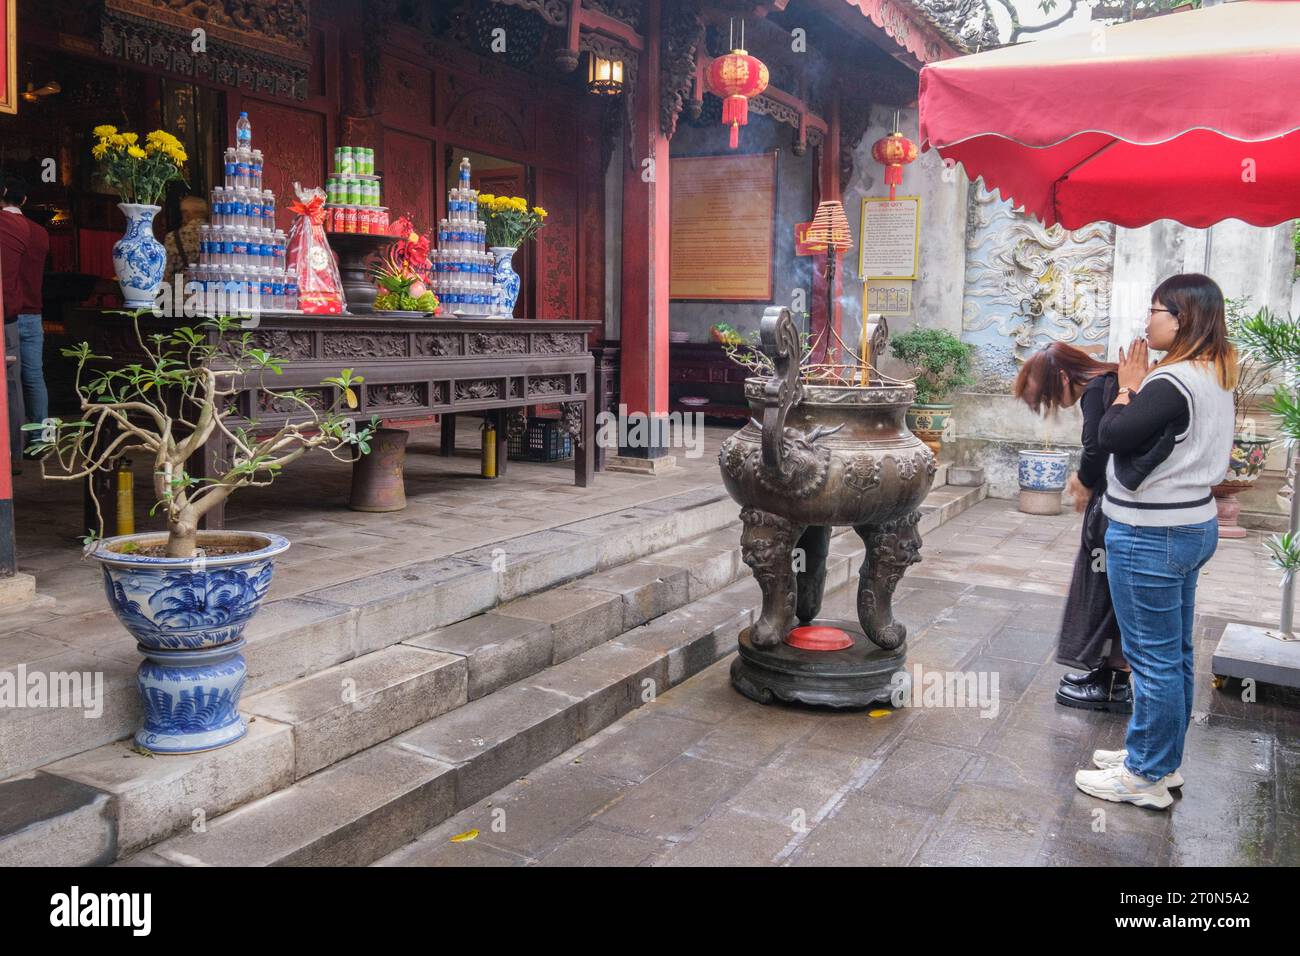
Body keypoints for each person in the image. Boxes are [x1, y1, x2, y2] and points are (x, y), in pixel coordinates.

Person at [1074, 274, 1236, 810]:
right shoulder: (1213, 373)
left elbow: (1112, 435)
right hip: (1190, 525)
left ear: (1181, 318)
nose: (1147, 320)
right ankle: (1160, 760)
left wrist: (1125, 385)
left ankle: (1144, 774)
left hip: (1153, 533)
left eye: (1155, 310)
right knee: (1175, 653)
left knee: (1153, 659)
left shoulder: (1173, 382)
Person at [1013, 343, 1130, 711]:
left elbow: (1097, 446)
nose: (1052, 404)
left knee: (1105, 585)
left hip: (1118, 502)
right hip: (1121, 498)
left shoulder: (1097, 388)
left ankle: (1114, 681)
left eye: (1048, 393)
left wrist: (1083, 481)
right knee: (1107, 583)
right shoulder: (1109, 382)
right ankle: (1108, 671)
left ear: (1064, 376)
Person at [3, 177, 49, 457]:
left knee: (10, 381)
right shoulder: (41, 233)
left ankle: (12, 443)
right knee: (34, 378)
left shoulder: (5, 228)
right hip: (32, 313)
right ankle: (40, 440)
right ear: (24, 201)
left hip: (7, 312)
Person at [0, 188, 27, 468]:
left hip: (7, 312)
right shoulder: (23, 226)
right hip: (10, 314)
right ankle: (15, 454)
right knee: (13, 385)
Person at [164, 194, 209, 283]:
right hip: (212, 291)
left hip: (183, 293)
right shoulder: (219, 236)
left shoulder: (173, 237)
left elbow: (167, 274)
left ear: (187, 214)